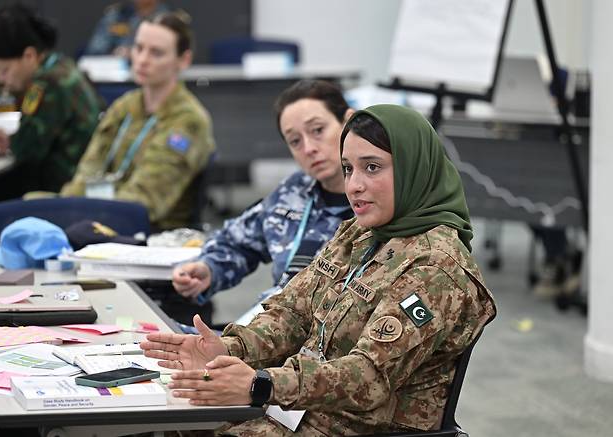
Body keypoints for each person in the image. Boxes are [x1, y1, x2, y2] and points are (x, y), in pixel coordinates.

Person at [142, 104, 496, 435]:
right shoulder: (359, 232)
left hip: (351, 428)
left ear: (414, 167)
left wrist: (261, 384)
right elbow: (291, 314)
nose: (354, 185)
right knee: (159, 416)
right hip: (298, 414)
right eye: (348, 169)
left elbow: (367, 377)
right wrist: (229, 349)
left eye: (372, 167)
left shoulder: (436, 266)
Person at [172, 80, 354, 308]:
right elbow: (237, 241)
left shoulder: (382, 202)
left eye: (318, 130)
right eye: (295, 141)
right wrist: (209, 268)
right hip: (270, 328)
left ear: (348, 121)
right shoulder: (295, 190)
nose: (309, 148)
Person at [59, 12, 215, 230]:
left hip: (152, 235)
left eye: (156, 53)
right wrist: (66, 208)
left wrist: (78, 215)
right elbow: (87, 173)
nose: (142, 60)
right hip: (99, 219)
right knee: (31, 207)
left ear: (183, 60)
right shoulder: (125, 107)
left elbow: (145, 200)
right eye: (138, 48)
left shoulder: (189, 121)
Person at [0, 4, 102, 197]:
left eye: (4, 70)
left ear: (29, 56)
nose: (0, 79)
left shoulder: (46, 84)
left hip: (62, 188)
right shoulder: (62, 65)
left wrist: (12, 143)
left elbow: (27, 148)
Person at [85, 0, 169, 57]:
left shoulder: (169, 19)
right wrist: (115, 53)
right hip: (114, 77)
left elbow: (171, 54)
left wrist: (134, 53)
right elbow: (94, 50)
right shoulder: (117, 15)